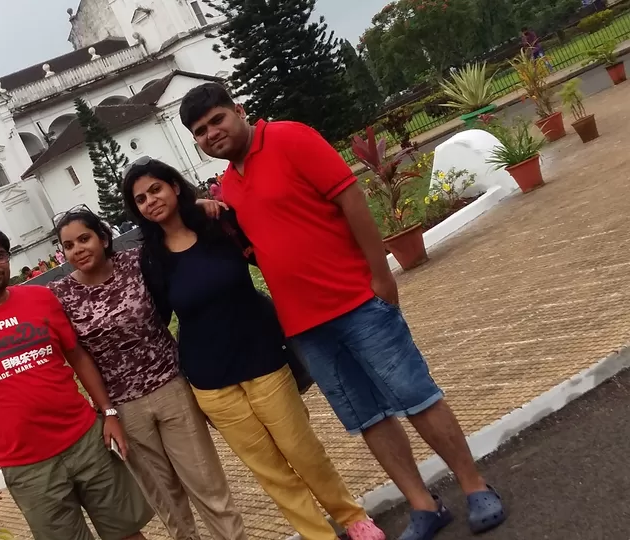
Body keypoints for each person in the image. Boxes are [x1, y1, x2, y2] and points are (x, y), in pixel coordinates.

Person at [179, 83, 506, 540]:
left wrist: (381, 277)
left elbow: (350, 198)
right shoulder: (229, 187)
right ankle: (422, 504)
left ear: (239, 110)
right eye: (201, 131)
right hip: (305, 327)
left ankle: (474, 485)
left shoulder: (291, 138)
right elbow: (259, 248)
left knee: (416, 395)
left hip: (357, 301)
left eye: (217, 120)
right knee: (367, 416)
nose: (212, 132)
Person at [0, 210, 247, 540]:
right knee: (162, 504)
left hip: (118, 419)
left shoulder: (56, 292)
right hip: (58, 443)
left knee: (160, 513)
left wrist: (196, 204)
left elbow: (78, 356)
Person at [121, 159, 385, 540]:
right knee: (269, 469)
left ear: (175, 187)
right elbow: (160, 315)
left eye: (156, 190)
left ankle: (352, 517)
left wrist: (207, 206)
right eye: (141, 199)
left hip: (263, 357)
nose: (151, 201)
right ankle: (319, 535)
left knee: (302, 450)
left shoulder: (218, 225)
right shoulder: (151, 257)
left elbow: (265, 251)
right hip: (211, 380)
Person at [0, 224, 153, 540]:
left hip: (85, 441)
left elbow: (77, 356)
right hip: (26, 465)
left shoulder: (41, 298)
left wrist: (109, 413)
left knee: (127, 532)